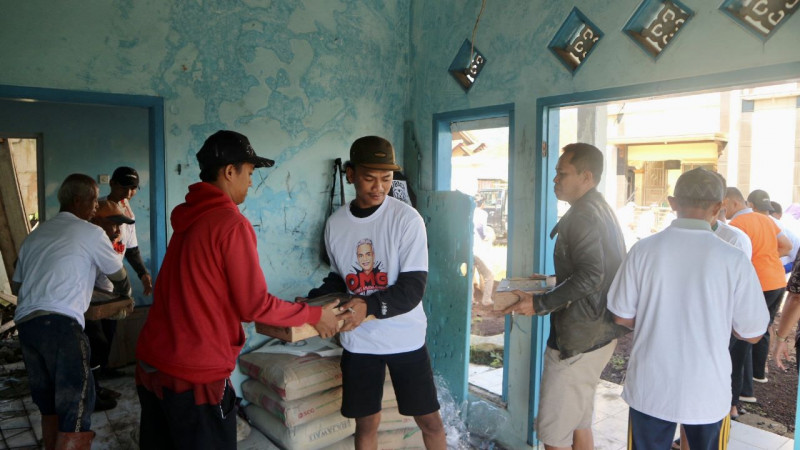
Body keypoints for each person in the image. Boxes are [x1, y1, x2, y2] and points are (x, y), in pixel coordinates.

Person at [134, 130, 341, 450]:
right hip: (195, 376)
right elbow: (253, 304)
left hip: (153, 365)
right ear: (230, 171)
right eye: (249, 172)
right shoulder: (230, 223)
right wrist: (314, 314)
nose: (251, 181)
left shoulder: (189, 218)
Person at [607, 168, 769, 450]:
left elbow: (621, 315)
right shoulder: (733, 260)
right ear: (718, 208)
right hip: (708, 390)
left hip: (651, 386)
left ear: (672, 203)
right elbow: (753, 333)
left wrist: (655, 318)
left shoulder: (643, 251)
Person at [307, 135, 446, 449]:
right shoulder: (336, 223)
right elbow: (339, 278)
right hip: (360, 342)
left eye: (386, 178)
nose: (379, 187)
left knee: (429, 421)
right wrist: (313, 302)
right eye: (369, 178)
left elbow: (412, 290)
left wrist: (366, 308)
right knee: (366, 423)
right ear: (351, 174)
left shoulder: (407, 220)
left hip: (404, 338)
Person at [504, 143, 628, 450]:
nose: (555, 179)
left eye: (562, 173)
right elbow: (598, 271)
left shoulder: (583, 216)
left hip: (577, 340)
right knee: (578, 421)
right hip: (597, 332)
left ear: (586, 177)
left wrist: (539, 302)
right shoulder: (598, 208)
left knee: (554, 434)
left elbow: (591, 275)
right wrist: (551, 281)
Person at [11, 173, 131, 449]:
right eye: (92, 201)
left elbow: (18, 285)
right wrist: (126, 296)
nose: (95, 207)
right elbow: (118, 273)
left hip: (27, 326)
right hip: (61, 325)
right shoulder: (90, 232)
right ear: (78, 201)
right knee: (77, 400)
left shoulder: (36, 235)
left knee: (48, 400)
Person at [724, 187, 790, 416]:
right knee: (760, 331)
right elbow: (786, 246)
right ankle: (755, 379)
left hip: (759, 284)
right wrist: (768, 257)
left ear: (732, 203)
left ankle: (738, 395)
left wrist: (756, 261)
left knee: (741, 339)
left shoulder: (735, 228)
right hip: (777, 282)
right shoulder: (767, 220)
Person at [85, 200, 137, 411]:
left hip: (101, 298)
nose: (117, 230)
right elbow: (120, 277)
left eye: (119, 225)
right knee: (95, 344)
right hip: (81, 302)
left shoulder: (103, 237)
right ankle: (91, 395)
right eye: (113, 224)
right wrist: (126, 300)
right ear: (96, 220)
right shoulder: (92, 237)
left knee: (100, 344)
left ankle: (95, 388)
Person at [103, 166, 153, 296]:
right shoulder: (97, 209)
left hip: (115, 279)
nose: (128, 193)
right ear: (112, 183)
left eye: (133, 189)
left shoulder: (129, 214)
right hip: (93, 281)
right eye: (123, 187)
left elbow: (131, 249)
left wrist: (143, 274)